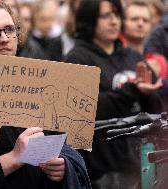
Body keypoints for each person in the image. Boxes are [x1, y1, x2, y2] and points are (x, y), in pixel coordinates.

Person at [0, 1, 91, 189]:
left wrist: (63, 165)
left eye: (9, 29)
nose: (4, 38)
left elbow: (67, 146)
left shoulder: (41, 84)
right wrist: (14, 158)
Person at [64, 0, 162, 188]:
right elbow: (82, 110)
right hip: (102, 169)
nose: (114, 21)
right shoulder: (77, 58)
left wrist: (148, 93)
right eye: (106, 16)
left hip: (140, 160)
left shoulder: (131, 56)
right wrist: (132, 91)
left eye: (117, 15)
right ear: (89, 20)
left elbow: (154, 108)